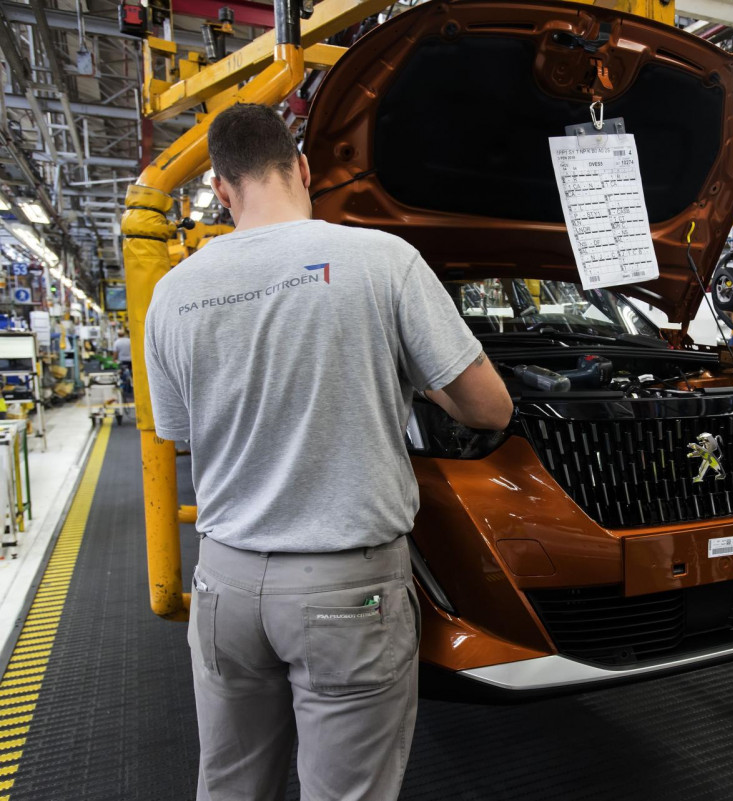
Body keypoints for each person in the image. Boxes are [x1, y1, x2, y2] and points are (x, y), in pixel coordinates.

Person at [143, 103, 512, 801]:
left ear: (221, 190)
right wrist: (408, 377)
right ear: (303, 168)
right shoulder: (383, 262)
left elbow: (183, 431)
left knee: (228, 785)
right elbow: (490, 408)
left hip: (224, 584)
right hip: (346, 591)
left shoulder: (170, 295)